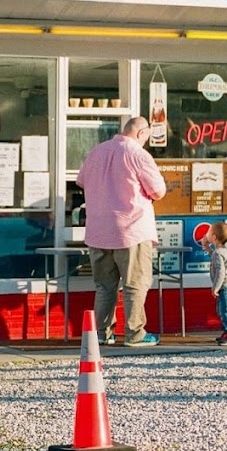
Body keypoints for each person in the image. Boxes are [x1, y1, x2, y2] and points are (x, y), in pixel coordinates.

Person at [75, 115, 167, 348]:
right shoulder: (138, 154)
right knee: (135, 284)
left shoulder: (97, 151)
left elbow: (81, 181)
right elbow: (158, 191)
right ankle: (135, 333)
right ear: (141, 133)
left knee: (105, 286)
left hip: (98, 231)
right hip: (131, 230)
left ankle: (102, 333)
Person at [201, 220, 227, 346]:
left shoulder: (218, 252)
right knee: (221, 309)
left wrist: (215, 288)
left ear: (214, 237)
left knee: (225, 310)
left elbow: (221, 272)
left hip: (225, 286)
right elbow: (216, 260)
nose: (207, 235)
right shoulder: (221, 250)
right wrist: (206, 247)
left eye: (209, 233)